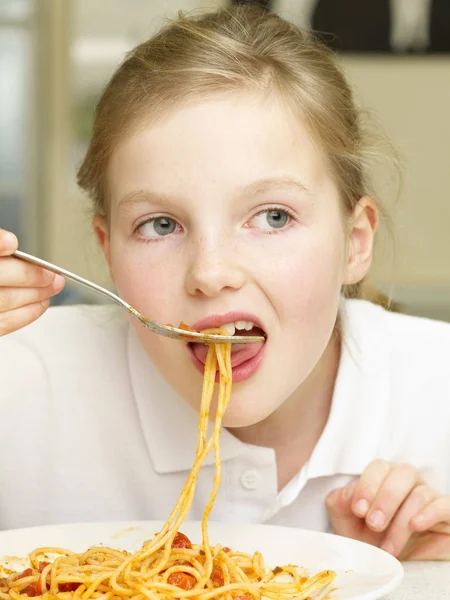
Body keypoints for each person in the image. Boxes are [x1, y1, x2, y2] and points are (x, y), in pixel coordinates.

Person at [0, 6, 449, 561]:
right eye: (160, 225)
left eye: (273, 217)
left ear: (355, 242)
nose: (210, 272)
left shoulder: (437, 399)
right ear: (107, 252)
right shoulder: (18, 382)